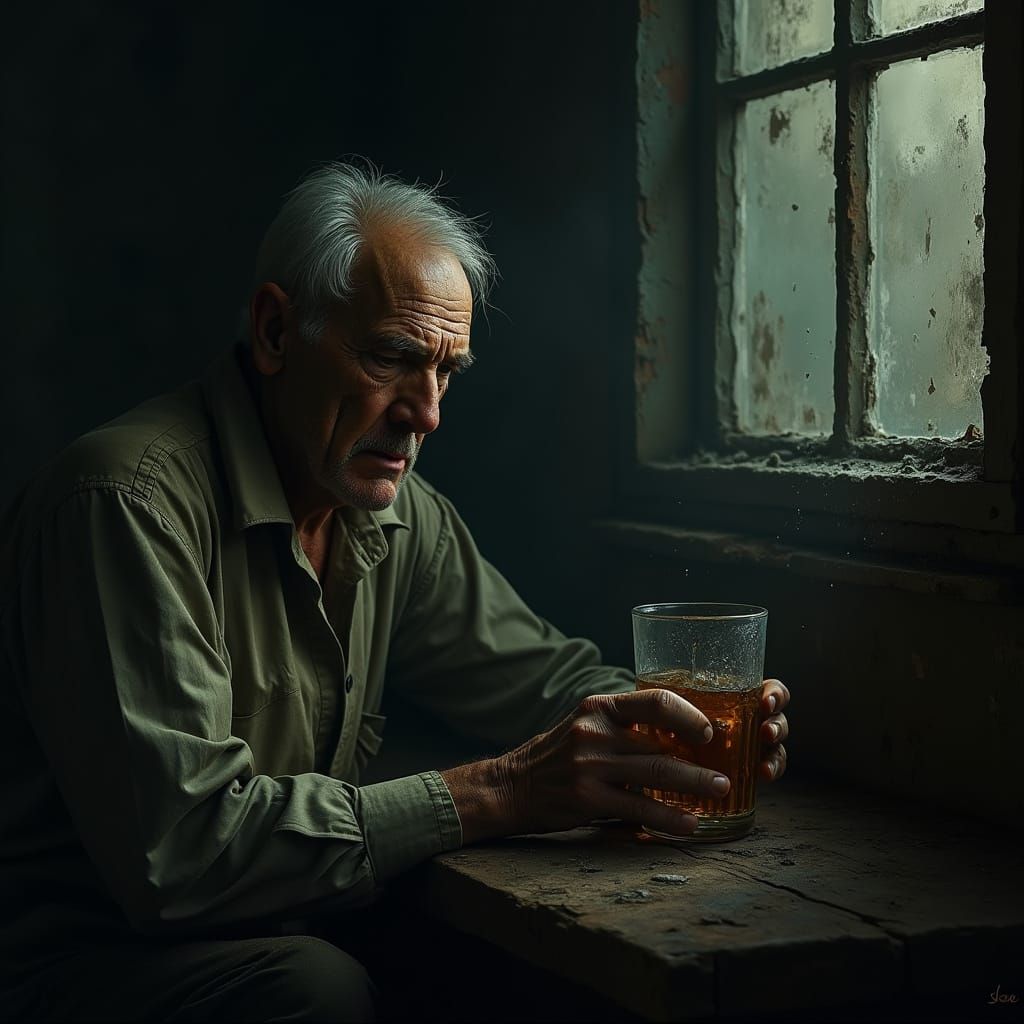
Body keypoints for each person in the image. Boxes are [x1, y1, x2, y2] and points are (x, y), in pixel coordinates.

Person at [0, 162, 790, 1022]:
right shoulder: (124, 504)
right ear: (275, 331)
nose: (428, 412)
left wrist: (680, 730)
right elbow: (181, 858)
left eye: (447, 371)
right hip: (76, 964)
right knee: (318, 993)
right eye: (392, 357)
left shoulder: (396, 515)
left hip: (273, 921)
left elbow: (537, 679)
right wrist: (496, 791)